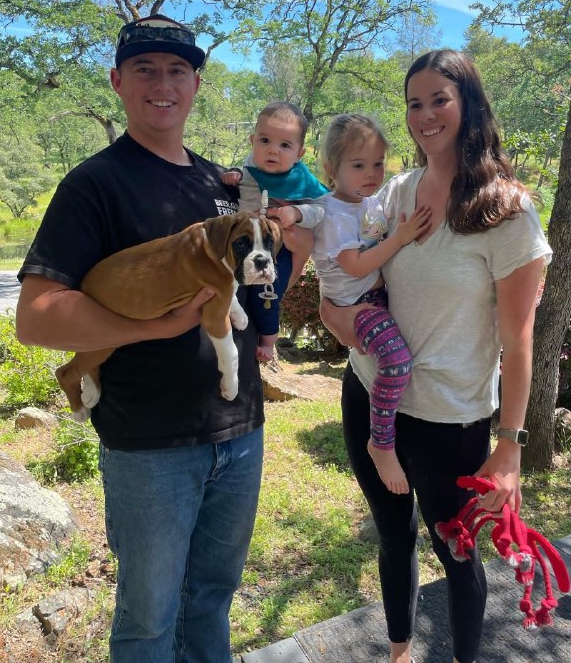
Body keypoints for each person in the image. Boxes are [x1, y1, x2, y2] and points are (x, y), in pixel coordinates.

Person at [15, 13, 264, 663]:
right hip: (151, 447)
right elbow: (36, 316)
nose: (163, 83)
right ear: (117, 82)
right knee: (150, 620)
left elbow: (255, 278)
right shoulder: (93, 185)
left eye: (177, 70)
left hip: (241, 432)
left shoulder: (221, 185)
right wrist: (153, 327)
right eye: (145, 69)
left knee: (211, 600)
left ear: (197, 84)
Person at [320, 50, 552, 663]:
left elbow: (518, 338)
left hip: (450, 419)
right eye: (414, 103)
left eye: (439, 100)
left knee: (458, 554)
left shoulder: (506, 211)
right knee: (393, 538)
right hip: (371, 394)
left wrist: (510, 445)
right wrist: (333, 316)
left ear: (468, 103)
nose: (425, 115)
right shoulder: (394, 193)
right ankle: (399, 652)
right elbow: (348, 277)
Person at [312, 114, 431, 495]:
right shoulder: (331, 213)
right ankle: (380, 442)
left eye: (378, 163)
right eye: (358, 165)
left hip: (375, 299)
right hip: (358, 305)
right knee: (396, 364)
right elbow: (355, 264)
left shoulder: (369, 203)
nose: (371, 174)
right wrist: (401, 238)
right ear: (332, 168)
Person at [222, 101, 328, 362]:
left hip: (276, 249)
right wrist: (234, 175)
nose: (273, 150)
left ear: (299, 153)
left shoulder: (300, 181)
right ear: (252, 141)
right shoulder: (250, 168)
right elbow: (244, 179)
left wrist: (297, 213)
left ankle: (269, 339)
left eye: (285, 145)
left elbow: (320, 210)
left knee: (266, 292)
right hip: (244, 243)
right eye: (265, 140)